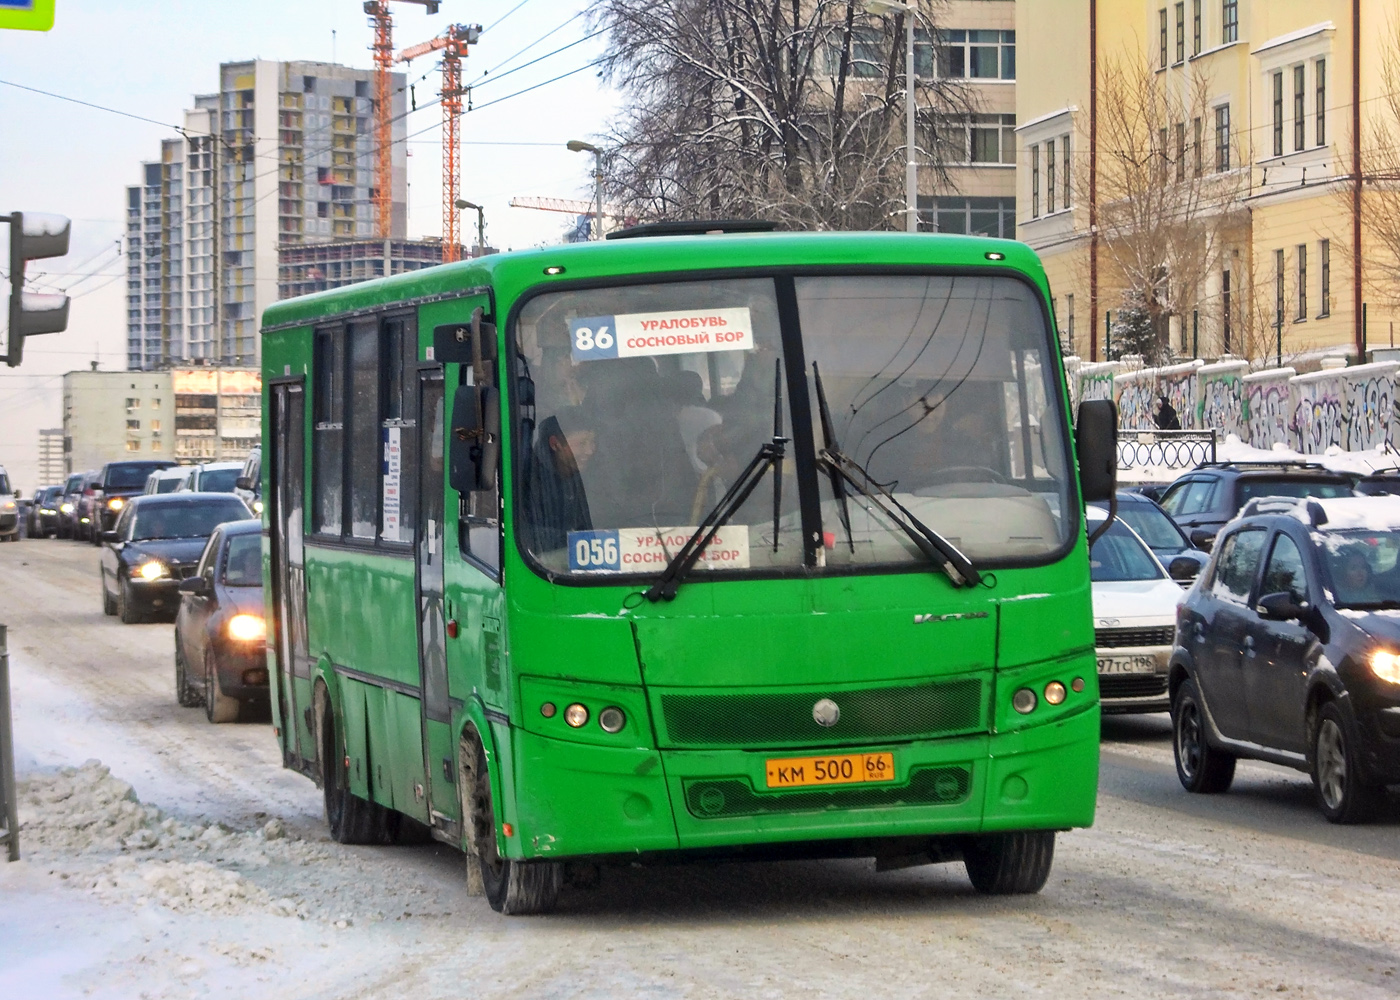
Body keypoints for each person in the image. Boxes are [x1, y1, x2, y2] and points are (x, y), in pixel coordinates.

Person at [524, 409, 596, 553]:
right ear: (555, 444)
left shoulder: (588, 476)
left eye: (593, 442)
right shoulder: (527, 480)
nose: (590, 451)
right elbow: (529, 537)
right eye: (582, 444)